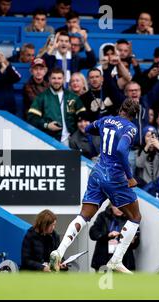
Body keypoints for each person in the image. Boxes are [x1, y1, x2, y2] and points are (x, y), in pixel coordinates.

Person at [49, 98, 142, 274]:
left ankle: (59, 251)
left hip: (97, 171)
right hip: (114, 176)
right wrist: (129, 177)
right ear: (135, 115)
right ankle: (116, 260)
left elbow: (89, 128)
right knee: (135, 217)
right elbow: (122, 150)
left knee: (83, 216)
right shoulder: (130, 127)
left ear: (120, 108)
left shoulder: (106, 120)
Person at [27, 67, 85, 146]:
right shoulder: (42, 97)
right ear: (49, 79)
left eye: (59, 78)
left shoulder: (72, 96)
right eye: (54, 78)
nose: (57, 81)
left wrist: (76, 133)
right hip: (49, 139)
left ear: (64, 79)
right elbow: (32, 117)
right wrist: (47, 125)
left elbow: (82, 115)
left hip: (70, 140)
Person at [89, 204, 140, 272]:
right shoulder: (102, 216)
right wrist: (108, 235)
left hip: (125, 261)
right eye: (117, 207)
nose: (119, 209)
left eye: (122, 208)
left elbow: (136, 243)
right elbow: (93, 233)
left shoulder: (131, 219)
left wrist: (132, 241)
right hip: (103, 260)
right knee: (103, 282)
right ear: (111, 206)